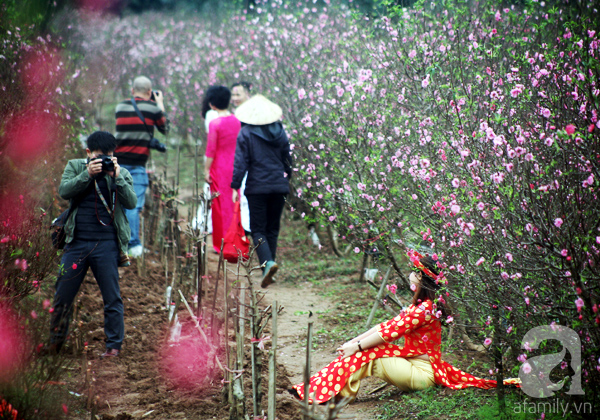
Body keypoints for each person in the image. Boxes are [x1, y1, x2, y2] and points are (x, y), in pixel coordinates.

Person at [291, 251, 519, 403]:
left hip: (421, 373)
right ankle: (323, 391)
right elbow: (386, 325)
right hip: (414, 366)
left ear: (420, 277)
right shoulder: (423, 306)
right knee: (365, 351)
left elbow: (388, 333)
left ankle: (333, 394)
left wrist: (358, 347)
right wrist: (353, 343)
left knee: (372, 355)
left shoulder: (424, 310)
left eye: (413, 272)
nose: (409, 275)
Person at [49, 131, 137, 358]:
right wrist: (87, 174)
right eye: (99, 157)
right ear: (88, 154)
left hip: (106, 245)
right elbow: (64, 191)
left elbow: (131, 202)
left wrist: (116, 176)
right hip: (75, 243)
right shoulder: (76, 167)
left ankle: (114, 347)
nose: (104, 161)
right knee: (63, 295)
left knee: (112, 297)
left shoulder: (120, 173)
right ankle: (55, 344)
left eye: (108, 156)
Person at [231, 95, 292, 288]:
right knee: (272, 229)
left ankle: (268, 265)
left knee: (258, 229)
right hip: (279, 185)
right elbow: (288, 159)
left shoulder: (246, 133)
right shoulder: (280, 130)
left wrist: (235, 185)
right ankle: (269, 269)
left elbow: (241, 163)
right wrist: (286, 178)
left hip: (257, 186)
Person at [114, 76, 169, 258]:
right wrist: (159, 102)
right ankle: (133, 244)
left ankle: (117, 242)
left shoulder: (120, 107)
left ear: (132, 90)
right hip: (137, 164)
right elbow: (165, 128)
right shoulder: (152, 108)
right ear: (149, 92)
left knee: (119, 203)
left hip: (117, 162)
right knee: (133, 205)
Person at [203, 85, 242, 253]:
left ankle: (222, 244)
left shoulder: (215, 123)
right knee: (234, 203)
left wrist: (206, 170)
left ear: (212, 104)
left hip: (219, 168)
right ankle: (236, 240)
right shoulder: (237, 120)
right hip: (235, 166)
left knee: (219, 205)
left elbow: (210, 151)